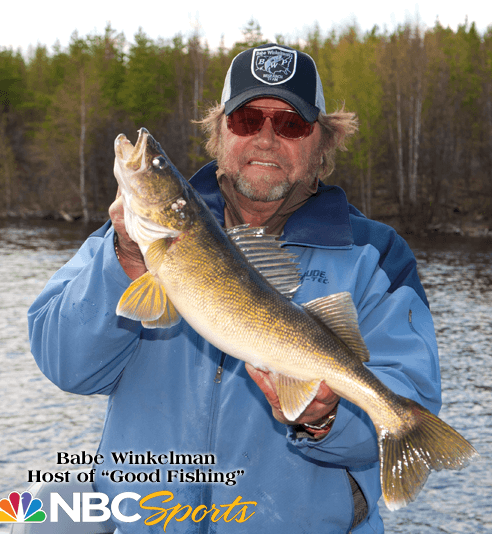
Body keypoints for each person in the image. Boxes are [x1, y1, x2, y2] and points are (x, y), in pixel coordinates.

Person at [28, 43, 442, 533]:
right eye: (247, 119)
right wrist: (125, 261)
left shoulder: (375, 256)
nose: (266, 139)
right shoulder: (130, 240)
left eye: (291, 124)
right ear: (218, 133)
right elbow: (65, 366)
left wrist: (324, 419)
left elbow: (409, 389)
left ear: (322, 144)